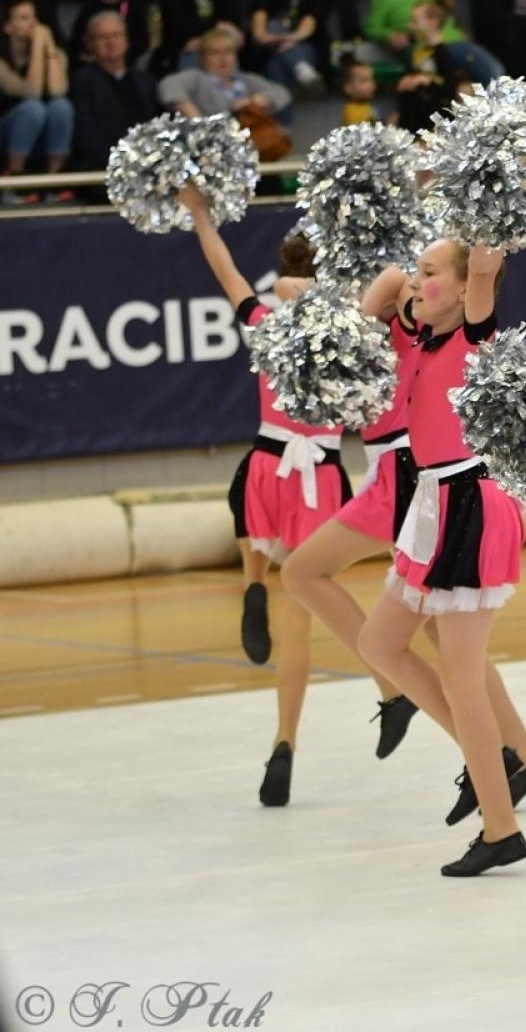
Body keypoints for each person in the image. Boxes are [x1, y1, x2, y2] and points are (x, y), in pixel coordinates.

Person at [279, 257, 526, 818]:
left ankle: (486, 755)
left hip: (420, 478)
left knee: (447, 644)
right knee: (439, 640)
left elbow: (418, 283)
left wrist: (375, 296)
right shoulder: (417, 325)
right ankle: (514, 755)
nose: (412, 279)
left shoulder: (417, 316)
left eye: (423, 270)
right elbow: (291, 289)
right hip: (419, 480)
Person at [355, 241, 526, 877]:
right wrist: (412, 274)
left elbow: (481, 272)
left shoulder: (475, 333)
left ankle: (501, 825)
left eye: (429, 275)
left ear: (463, 290)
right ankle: (491, 759)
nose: (415, 284)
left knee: (463, 679)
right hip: (431, 506)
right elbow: (371, 303)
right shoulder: (419, 341)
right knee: (380, 643)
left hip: (470, 504)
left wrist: (479, 247)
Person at [175, 186, 355, 807]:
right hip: (320, 473)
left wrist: (200, 214)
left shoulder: (265, 317)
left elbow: (224, 266)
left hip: (267, 463)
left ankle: (252, 578)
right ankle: (285, 741)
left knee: (243, 497)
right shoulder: (349, 322)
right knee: (300, 615)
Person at [362, 0, 502, 82]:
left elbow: (448, 19)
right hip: (421, 47)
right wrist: (389, 36)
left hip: (454, 42)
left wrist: (460, 31)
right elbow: (371, 28)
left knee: (493, 70)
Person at [69, 11, 159, 177]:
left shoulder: (147, 81)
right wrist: (119, 161)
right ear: (89, 43)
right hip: (102, 167)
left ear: (126, 39)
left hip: (147, 164)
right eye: (102, 37)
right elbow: (85, 133)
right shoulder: (81, 81)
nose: (111, 42)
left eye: (116, 35)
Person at [0, 0, 71, 198]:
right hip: (7, 134)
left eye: (34, 17)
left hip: (43, 134)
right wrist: (40, 43)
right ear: (8, 27)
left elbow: (58, 91)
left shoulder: (54, 52)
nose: (33, 24)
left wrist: (45, 48)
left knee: (61, 107)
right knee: (33, 108)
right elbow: (32, 92)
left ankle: (54, 179)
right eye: (23, 18)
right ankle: (15, 178)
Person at [159, 27, 291, 120]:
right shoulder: (197, 77)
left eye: (228, 52)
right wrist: (192, 114)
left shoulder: (245, 79)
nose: (223, 58)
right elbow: (168, 85)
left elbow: (281, 93)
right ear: (203, 57)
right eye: (215, 53)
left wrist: (253, 101)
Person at [248, 0, 326, 92]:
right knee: (273, 25)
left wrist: (289, 39)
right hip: (269, 40)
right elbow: (260, 8)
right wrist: (260, 35)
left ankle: (282, 101)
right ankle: (302, 69)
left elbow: (313, 17)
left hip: (303, 40)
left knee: (275, 63)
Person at [153, 0, 240, 74]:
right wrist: (216, 26)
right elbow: (177, 25)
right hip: (183, 50)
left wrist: (204, 40)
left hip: (218, 44)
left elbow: (232, 22)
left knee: (226, 56)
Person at [67, 0, 147, 66]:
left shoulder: (132, 9)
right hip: (92, 64)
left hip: (124, 64)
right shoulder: (88, 9)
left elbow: (142, 42)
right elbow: (76, 40)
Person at [338, 57, 391, 124]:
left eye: (372, 79)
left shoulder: (365, 103)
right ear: (349, 87)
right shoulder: (352, 113)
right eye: (364, 80)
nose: (371, 85)